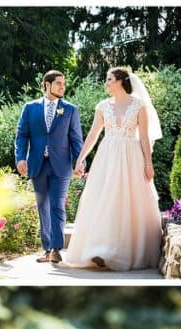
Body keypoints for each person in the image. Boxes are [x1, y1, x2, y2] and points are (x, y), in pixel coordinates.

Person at [61, 67, 163, 271]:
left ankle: (123, 252)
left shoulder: (139, 106)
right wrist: (80, 159)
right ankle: (99, 250)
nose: (106, 83)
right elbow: (92, 135)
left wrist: (148, 164)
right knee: (102, 201)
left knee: (128, 203)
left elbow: (143, 138)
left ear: (120, 81)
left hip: (131, 158)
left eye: (109, 79)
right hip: (106, 158)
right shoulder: (102, 106)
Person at [15, 70, 84, 264]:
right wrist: (20, 158)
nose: (63, 87)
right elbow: (22, 136)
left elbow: (76, 140)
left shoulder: (70, 110)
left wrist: (80, 162)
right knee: (42, 206)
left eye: (63, 83)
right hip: (37, 164)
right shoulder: (30, 108)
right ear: (47, 84)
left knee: (57, 205)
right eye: (59, 83)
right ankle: (47, 249)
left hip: (61, 166)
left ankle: (55, 248)